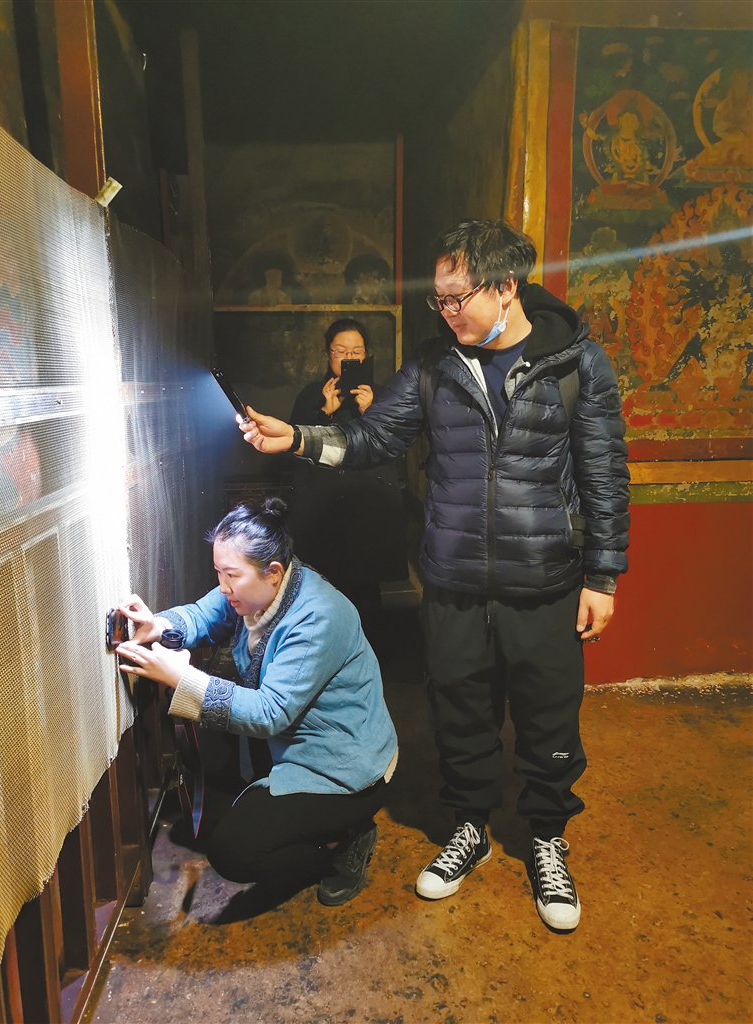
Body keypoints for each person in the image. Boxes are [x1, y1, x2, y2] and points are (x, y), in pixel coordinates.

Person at [239, 220, 630, 932]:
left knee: (548, 718)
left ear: (506, 287)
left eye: (458, 297)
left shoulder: (577, 363)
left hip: (545, 581)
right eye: (438, 299)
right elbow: (371, 439)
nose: (446, 312)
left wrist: (602, 576)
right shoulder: (432, 366)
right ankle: (469, 828)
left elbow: (603, 473)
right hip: (452, 581)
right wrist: (296, 438)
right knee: (459, 714)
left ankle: (546, 838)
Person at [116, 497, 398, 908]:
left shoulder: (318, 616)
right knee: (200, 750)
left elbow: (270, 713)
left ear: (274, 571)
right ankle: (288, 815)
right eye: (218, 572)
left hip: (343, 766)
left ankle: (343, 848)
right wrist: (158, 624)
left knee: (233, 852)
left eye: (231, 574)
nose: (223, 586)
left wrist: (182, 678)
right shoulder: (258, 590)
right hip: (292, 740)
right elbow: (203, 615)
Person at [287, 318, 407, 641]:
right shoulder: (310, 395)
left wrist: (372, 412)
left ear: (366, 356)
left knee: (367, 591)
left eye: (357, 352)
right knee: (324, 588)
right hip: (324, 510)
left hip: (368, 509)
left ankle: (371, 657)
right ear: (329, 354)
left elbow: (395, 446)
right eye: (341, 351)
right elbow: (295, 448)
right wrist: (324, 413)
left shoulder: (383, 395)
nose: (349, 358)